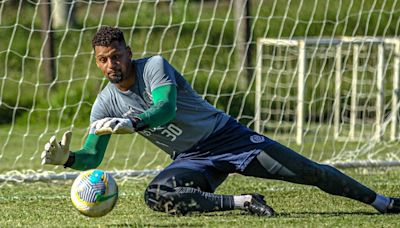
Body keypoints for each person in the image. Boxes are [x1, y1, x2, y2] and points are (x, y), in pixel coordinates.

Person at [41, 26, 400, 216]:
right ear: (97, 61)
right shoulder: (104, 103)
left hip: (230, 139)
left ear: (128, 54)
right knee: (156, 196)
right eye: (103, 60)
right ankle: (242, 202)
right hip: (192, 161)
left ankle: (383, 202)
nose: (110, 65)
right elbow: (93, 155)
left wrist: (133, 123)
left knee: (310, 172)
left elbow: (164, 109)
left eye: (116, 56)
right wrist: (70, 160)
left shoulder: (154, 67)